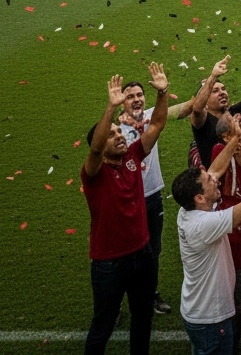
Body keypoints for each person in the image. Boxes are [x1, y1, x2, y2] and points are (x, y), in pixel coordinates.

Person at [81, 65, 169, 355]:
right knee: (103, 326)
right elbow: (94, 150)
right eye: (112, 134)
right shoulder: (94, 174)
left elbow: (156, 125)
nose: (120, 136)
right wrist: (111, 107)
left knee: (142, 321)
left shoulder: (132, 156)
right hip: (109, 264)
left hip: (141, 255)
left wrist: (162, 92)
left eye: (120, 132)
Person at [171, 126, 241, 355]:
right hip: (210, 319)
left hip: (200, 312)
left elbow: (216, 170)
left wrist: (236, 140)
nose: (215, 180)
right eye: (209, 182)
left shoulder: (188, 209)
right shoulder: (204, 225)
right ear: (200, 198)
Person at [119, 80, 173, 315]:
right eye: (130, 96)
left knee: (154, 249)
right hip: (127, 201)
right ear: (122, 101)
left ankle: (150, 292)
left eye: (139, 94)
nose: (137, 99)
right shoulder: (115, 131)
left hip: (153, 197)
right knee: (124, 252)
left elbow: (191, 107)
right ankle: (117, 298)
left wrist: (211, 77)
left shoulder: (153, 115)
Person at [190, 56, 241, 169]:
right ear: (205, 101)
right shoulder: (203, 121)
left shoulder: (232, 112)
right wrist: (213, 76)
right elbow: (197, 109)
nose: (222, 93)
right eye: (215, 91)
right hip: (218, 181)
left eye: (223, 89)